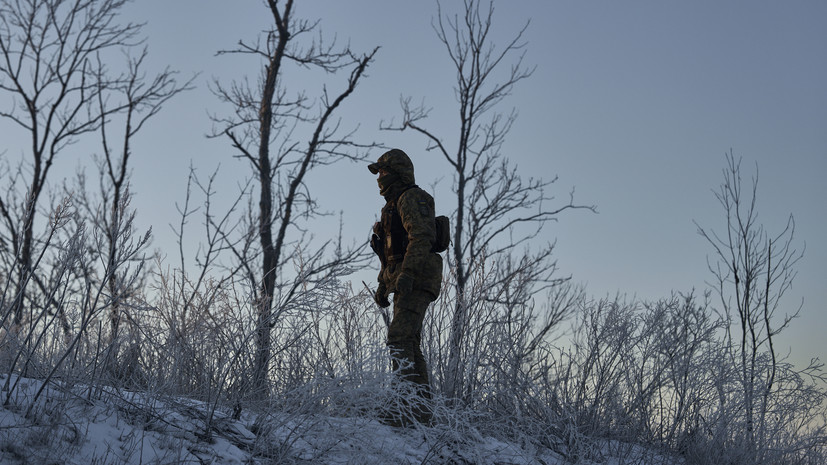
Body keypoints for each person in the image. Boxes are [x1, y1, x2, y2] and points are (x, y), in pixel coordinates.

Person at [368, 148, 443, 425]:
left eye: (384, 172)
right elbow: (391, 254)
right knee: (409, 340)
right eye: (379, 173)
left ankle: (404, 408)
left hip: (419, 277)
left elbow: (421, 237)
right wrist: (382, 284)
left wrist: (409, 275)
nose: (380, 178)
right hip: (405, 278)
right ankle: (420, 412)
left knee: (399, 337)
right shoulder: (392, 204)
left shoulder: (413, 197)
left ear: (398, 174)